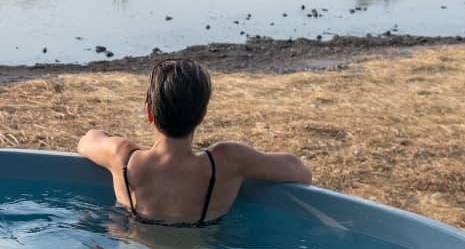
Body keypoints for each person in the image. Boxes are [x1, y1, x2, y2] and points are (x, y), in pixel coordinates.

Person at [77, 57, 311, 228]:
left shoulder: (123, 157)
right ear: (201, 117)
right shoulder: (228, 161)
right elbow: (300, 172)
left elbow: (86, 141)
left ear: (149, 112)